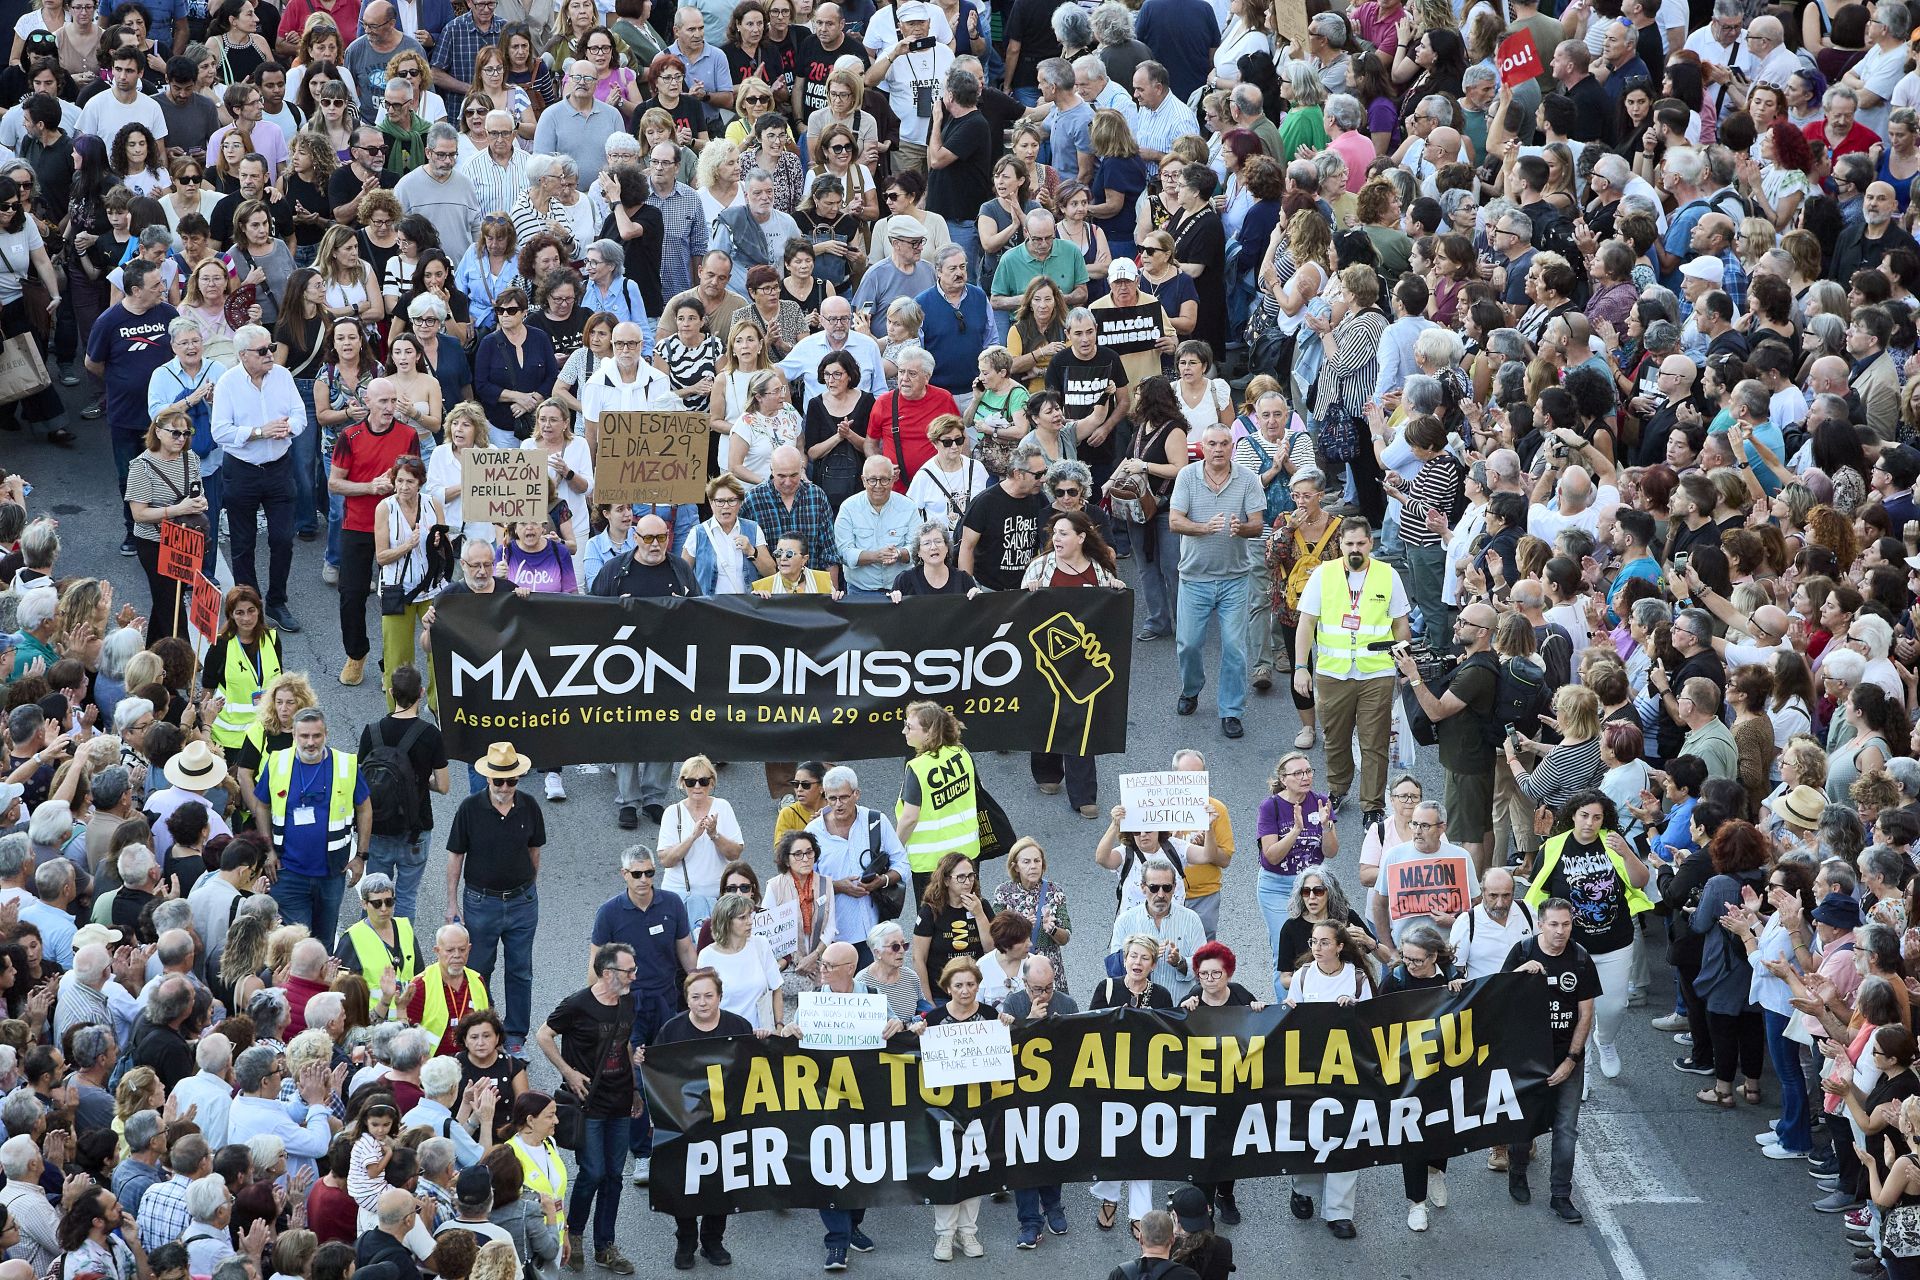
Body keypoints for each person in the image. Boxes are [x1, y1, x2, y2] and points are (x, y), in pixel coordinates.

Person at [1295, 517, 1412, 829]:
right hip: (1334, 673)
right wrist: (1299, 667)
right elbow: (1306, 622)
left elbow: (1401, 624)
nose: (1355, 549)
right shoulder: (1323, 574)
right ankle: (1337, 790)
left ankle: (1372, 805)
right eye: (1349, 544)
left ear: (1370, 544)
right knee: (1335, 738)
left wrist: (1402, 663)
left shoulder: (1388, 576)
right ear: (1341, 545)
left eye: (1361, 543)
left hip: (1376, 673)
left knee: (1374, 742)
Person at [532, 942, 638, 1276]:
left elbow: (626, 1044)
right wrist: (567, 1071)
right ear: (609, 973)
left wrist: (635, 1088)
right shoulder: (578, 1005)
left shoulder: (628, 1001)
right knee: (592, 1172)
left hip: (620, 1101)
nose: (635, 975)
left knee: (614, 1176)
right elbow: (543, 1035)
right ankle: (573, 1234)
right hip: (588, 1103)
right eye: (629, 971)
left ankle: (605, 1246)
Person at [443, 741, 543, 1054]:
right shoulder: (470, 808)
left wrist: (528, 888)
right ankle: (481, 1034)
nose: (504, 787)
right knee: (478, 970)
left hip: (521, 903)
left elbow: (534, 851)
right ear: (487, 778)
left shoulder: (530, 806)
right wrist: (451, 903)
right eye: (498, 780)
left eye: (510, 781)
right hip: (480, 903)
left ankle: (514, 1039)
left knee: (520, 971)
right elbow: (455, 856)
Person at [1502, 897, 1597, 1223]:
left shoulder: (1581, 959)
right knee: (1523, 1122)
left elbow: (1586, 1014)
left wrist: (1571, 1060)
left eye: (1566, 924)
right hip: (1526, 1060)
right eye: (1554, 924)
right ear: (1540, 924)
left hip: (1565, 1059)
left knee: (1566, 1129)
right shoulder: (1523, 952)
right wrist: (1518, 973)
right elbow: (1498, 997)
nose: (1560, 931)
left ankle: (1561, 1195)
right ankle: (1518, 1170)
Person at [1168, 423, 1265, 740]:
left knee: (1235, 648)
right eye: (1212, 443)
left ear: (1232, 447)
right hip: (1194, 578)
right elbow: (1174, 521)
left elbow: (1257, 524)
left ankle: (1232, 711)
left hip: (1235, 579)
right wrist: (1203, 528)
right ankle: (1192, 688)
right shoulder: (1187, 477)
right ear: (1203, 448)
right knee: (1189, 644)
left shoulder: (1247, 479)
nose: (1219, 449)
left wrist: (1243, 528)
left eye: (1224, 443)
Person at [212, 320, 309, 633]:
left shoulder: (281, 376)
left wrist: (287, 428)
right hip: (242, 471)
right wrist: (258, 432)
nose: (271, 354)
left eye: (272, 348)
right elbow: (220, 432)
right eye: (263, 350)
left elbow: (300, 416)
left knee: (282, 538)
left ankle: (277, 601)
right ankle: (248, 605)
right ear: (243, 356)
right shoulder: (228, 383)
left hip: (279, 468)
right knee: (243, 542)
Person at [253, 708, 370, 951]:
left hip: (331, 874)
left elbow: (365, 809)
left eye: (316, 736)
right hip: (288, 873)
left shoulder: (346, 765)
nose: (310, 742)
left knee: (324, 943)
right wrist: (268, 850)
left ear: (326, 734)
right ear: (294, 735)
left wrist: (361, 856)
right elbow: (261, 805)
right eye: (304, 736)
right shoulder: (277, 762)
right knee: (296, 945)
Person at [355, 664, 447, 921]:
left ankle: (373, 950)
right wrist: (417, 780)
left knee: (375, 894)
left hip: (378, 827)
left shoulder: (371, 731)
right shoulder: (430, 734)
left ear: (392, 692)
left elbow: (360, 778)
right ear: (420, 693)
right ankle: (404, 951)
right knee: (405, 897)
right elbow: (443, 785)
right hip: (415, 829)